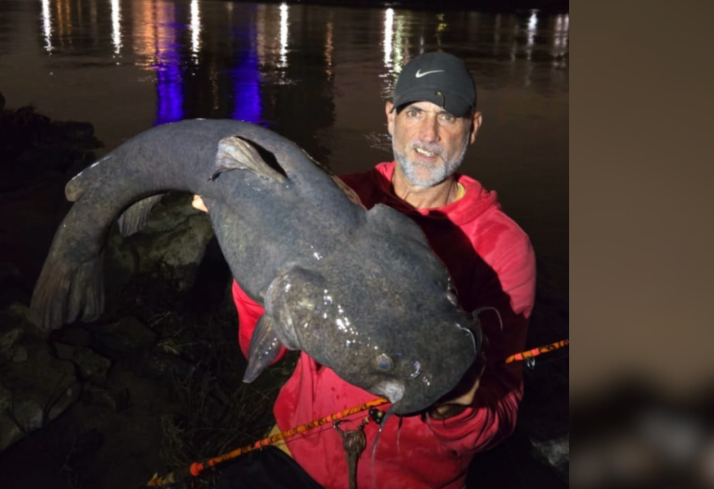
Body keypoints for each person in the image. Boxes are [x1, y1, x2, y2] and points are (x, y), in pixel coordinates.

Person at [193, 51, 536, 489]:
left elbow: (500, 417)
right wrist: (248, 244)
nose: (428, 135)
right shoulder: (338, 194)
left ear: (474, 126)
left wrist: (455, 405)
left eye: (448, 117)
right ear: (391, 117)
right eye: (414, 112)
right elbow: (262, 347)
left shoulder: (503, 247)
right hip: (298, 449)